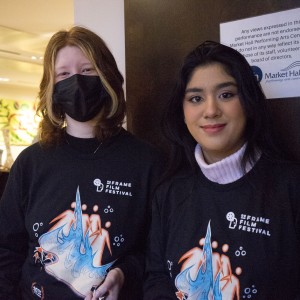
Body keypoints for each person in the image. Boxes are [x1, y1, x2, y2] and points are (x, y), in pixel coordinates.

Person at [0, 26, 161, 300]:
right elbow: (6, 250)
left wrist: (124, 272)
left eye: (87, 70)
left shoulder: (146, 161)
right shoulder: (30, 163)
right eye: (63, 74)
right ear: (51, 88)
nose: (76, 81)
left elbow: (158, 253)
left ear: (107, 76)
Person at [143, 41, 300, 299]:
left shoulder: (291, 187)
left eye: (226, 95)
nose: (211, 110)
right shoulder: (169, 192)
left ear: (248, 102)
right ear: (182, 112)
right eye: (196, 98)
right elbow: (157, 279)